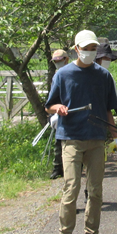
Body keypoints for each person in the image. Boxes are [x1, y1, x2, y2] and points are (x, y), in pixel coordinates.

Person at [45, 30, 117, 234]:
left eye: (93, 48)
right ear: (76, 49)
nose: (89, 52)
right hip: (70, 137)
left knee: (95, 190)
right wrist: (57, 108)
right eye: (85, 48)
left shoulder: (104, 76)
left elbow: (109, 109)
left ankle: (91, 233)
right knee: (71, 187)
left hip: (97, 139)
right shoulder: (63, 75)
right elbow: (49, 105)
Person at [49, 49, 71, 179]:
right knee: (58, 141)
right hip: (58, 111)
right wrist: (54, 111)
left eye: (59, 61)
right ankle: (57, 168)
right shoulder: (56, 75)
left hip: (72, 111)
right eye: (55, 61)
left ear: (66, 59)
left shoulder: (73, 72)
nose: (57, 63)